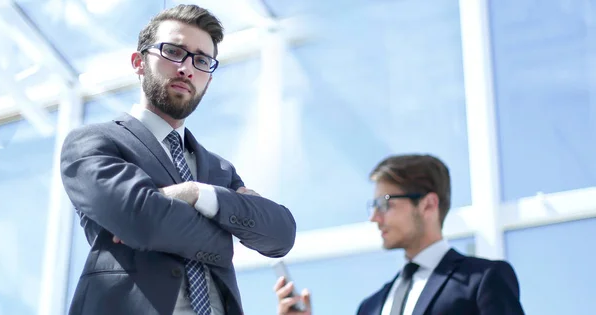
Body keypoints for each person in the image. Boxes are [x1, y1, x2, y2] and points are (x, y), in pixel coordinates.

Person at [60, 4, 297, 315]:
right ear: (139, 62)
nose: (187, 68)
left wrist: (198, 193)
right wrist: (224, 234)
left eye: (201, 61)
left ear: (208, 81)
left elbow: (280, 235)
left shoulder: (220, 170)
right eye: (173, 51)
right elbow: (142, 219)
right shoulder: (94, 142)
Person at [274, 154, 525, 315]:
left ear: (428, 204)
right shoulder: (370, 306)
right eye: (373, 207)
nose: (374, 217)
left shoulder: (483, 280)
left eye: (385, 204)